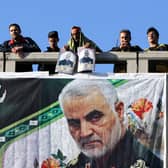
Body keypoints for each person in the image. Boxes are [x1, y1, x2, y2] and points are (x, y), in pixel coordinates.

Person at [57, 79, 163, 168]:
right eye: (74, 123)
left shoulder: (150, 163)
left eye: (95, 117)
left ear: (119, 111)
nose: (84, 133)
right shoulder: (76, 165)